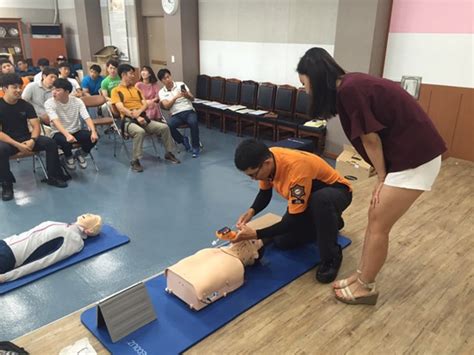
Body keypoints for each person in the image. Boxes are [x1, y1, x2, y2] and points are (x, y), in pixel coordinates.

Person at [296, 47, 447, 305]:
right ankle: (360, 276)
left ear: (317, 78)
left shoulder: (350, 90)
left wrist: (381, 178)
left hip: (416, 159)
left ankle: (366, 287)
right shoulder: (351, 85)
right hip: (407, 156)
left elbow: (371, 139)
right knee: (374, 217)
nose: (306, 91)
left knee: (379, 223)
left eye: (305, 84)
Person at [233, 139, 352, 283]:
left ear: (266, 163)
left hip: (337, 192)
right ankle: (333, 222)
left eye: (253, 175)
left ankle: (332, 257)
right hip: (308, 198)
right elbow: (265, 193)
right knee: (283, 241)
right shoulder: (268, 160)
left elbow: (293, 220)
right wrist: (251, 211)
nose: (253, 179)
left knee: (319, 201)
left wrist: (256, 234)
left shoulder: (296, 170)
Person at [0, 73, 68, 201]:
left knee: (50, 143)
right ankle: (6, 185)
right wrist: (17, 144)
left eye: (20, 87)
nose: (19, 90)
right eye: (14, 87)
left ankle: (53, 177)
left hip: (27, 138)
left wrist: (33, 140)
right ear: (4, 89)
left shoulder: (25, 105)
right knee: (0, 150)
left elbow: (36, 126)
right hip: (8, 142)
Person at [111, 64, 180, 172]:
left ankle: (168, 153)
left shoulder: (136, 90)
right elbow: (121, 108)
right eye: (131, 73)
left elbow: (144, 104)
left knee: (164, 127)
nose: (133, 76)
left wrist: (139, 112)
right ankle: (135, 161)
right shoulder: (116, 91)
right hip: (128, 121)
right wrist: (137, 116)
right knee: (140, 132)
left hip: (143, 118)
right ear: (123, 75)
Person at [166, 239, 264, 310]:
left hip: (197, 286)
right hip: (223, 256)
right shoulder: (216, 252)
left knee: (210, 274)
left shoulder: (237, 266)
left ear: (254, 256)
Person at [0, 214, 102, 283]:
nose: (86, 215)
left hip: (9, 254)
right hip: (7, 247)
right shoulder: (65, 229)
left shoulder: (72, 238)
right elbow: (43, 260)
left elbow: (44, 261)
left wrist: (7, 276)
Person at [45, 78, 98, 170]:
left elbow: (86, 117)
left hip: (75, 130)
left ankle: (81, 153)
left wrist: (93, 131)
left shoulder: (77, 101)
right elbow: (55, 121)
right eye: (53, 89)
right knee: (65, 141)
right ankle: (68, 156)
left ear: (67, 91)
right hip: (58, 132)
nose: (54, 92)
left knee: (94, 137)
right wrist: (67, 135)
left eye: (57, 90)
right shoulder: (49, 103)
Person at [158, 68, 201, 158]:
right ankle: (182, 140)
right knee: (169, 125)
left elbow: (192, 98)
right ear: (161, 81)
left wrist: (187, 95)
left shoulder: (181, 84)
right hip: (176, 114)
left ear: (170, 76)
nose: (168, 79)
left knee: (193, 122)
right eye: (165, 79)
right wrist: (175, 98)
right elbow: (166, 106)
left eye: (168, 77)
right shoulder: (161, 92)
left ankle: (196, 147)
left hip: (188, 110)